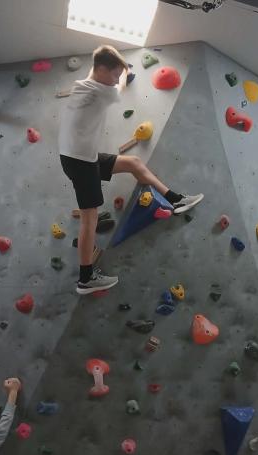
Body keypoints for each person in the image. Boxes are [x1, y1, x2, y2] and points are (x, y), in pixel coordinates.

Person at [59, 45, 204, 295]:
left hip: (80, 157)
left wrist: (120, 69)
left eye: (118, 75)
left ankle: (175, 200)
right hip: (80, 160)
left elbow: (108, 71)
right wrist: (125, 74)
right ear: (101, 70)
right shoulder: (98, 91)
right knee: (90, 217)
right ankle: (86, 278)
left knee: (133, 163)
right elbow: (121, 88)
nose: (117, 79)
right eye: (114, 74)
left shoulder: (82, 86)